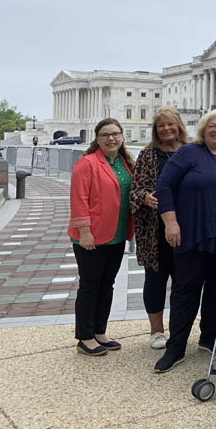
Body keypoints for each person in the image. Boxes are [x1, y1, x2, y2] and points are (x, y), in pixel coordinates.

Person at [153, 110, 216, 373]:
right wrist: (170, 222)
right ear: (203, 130)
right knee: (186, 292)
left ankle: (209, 337)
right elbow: (163, 187)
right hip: (193, 234)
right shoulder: (188, 153)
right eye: (212, 126)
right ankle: (176, 348)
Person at [68, 118, 135, 356]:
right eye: (105, 135)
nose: (111, 139)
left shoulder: (124, 163)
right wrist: (84, 232)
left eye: (115, 134)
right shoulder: (86, 163)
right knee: (90, 286)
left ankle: (100, 331)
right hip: (91, 237)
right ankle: (85, 337)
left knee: (107, 285)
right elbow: (79, 200)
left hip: (115, 235)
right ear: (97, 139)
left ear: (122, 136)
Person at [131, 107, 188, 350]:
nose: (166, 129)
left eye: (170, 124)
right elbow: (134, 190)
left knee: (183, 282)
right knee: (155, 280)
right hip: (154, 230)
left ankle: (178, 329)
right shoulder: (148, 153)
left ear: (179, 126)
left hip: (186, 226)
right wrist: (145, 198)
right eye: (161, 126)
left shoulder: (190, 151)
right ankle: (156, 331)